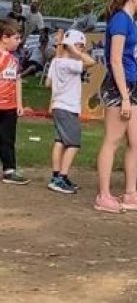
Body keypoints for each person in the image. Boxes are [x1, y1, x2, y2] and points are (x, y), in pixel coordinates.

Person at [95, 0, 137, 213]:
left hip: (128, 88)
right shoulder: (120, 20)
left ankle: (130, 193)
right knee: (112, 140)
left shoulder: (129, 21)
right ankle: (104, 195)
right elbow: (115, 59)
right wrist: (122, 95)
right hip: (117, 88)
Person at [46, 29, 95, 194]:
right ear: (73, 46)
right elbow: (91, 62)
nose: (82, 50)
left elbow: (48, 82)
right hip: (68, 106)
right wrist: (75, 51)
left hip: (58, 105)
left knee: (60, 141)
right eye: (80, 46)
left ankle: (56, 175)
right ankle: (61, 176)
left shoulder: (56, 61)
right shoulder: (69, 63)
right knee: (73, 143)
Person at [0, 19, 29, 185]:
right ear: (5, 37)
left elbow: (17, 80)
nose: (19, 42)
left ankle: (9, 170)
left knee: (8, 138)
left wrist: (19, 104)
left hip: (9, 107)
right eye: (16, 38)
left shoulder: (15, 60)